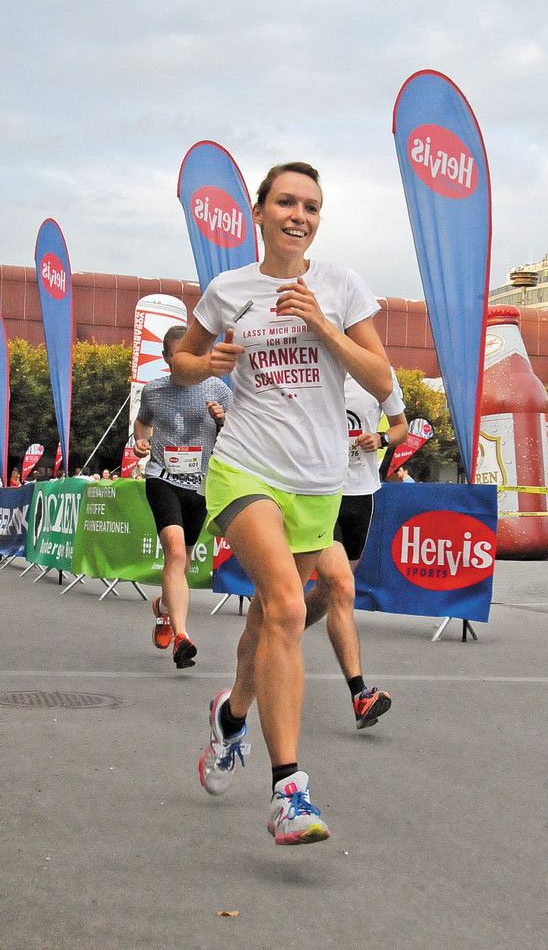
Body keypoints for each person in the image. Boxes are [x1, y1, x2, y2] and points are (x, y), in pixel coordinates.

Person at [172, 161, 391, 846]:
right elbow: (184, 358)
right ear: (259, 211)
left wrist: (323, 325)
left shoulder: (342, 286)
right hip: (245, 466)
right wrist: (203, 366)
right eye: (288, 202)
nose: (300, 215)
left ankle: (232, 715)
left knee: (270, 618)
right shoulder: (229, 289)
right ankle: (288, 791)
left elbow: (382, 380)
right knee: (291, 608)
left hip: (319, 480)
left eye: (312, 207)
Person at [304, 370, 407, 728]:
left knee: (328, 591)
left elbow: (400, 427)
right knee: (343, 586)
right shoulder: (316, 366)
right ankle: (360, 694)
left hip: (361, 494)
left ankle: (272, 636)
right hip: (318, 492)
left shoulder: (378, 372)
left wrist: (381, 438)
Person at [133, 325, 232, 669]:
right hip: (162, 478)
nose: (186, 363)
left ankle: (163, 608)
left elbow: (238, 435)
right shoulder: (154, 391)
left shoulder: (218, 389)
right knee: (174, 553)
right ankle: (182, 636)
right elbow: (142, 423)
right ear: (167, 359)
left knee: (183, 562)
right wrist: (140, 441)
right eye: (178, 357)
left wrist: (222, 421)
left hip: (200, 485)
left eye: (193, 355)